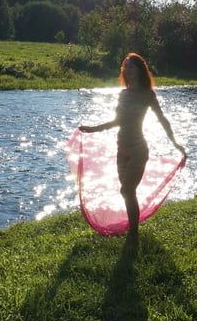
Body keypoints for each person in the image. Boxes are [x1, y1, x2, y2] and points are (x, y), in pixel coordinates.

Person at [79, 53, 186, 237]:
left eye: (130, 66)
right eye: (125, 67)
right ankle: (132, 229)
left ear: (139, 69)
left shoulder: (147, 94)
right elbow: (117, 121)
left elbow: (162, 120)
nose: (126, 70)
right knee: (128, 193)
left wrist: (175, 143)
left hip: (139, 150)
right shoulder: (123, 94)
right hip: (122, 149)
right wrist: (93, 129)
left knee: (126, 190)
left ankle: (133, 236)